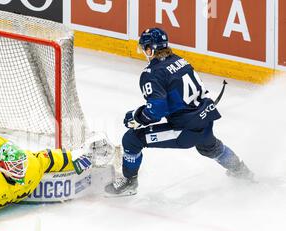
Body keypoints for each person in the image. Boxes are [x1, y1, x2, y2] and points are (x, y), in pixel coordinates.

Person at [105, 28, 254, 196]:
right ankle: (242, 171)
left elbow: (156, 111)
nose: (144, 52)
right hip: (205, 119)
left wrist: (136, 117)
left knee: (131, 139)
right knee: (211, 148)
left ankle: (129, 183)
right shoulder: (180, 61)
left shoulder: (151, 73)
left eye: (144, 48)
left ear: (150, 49)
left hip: (185, 131)